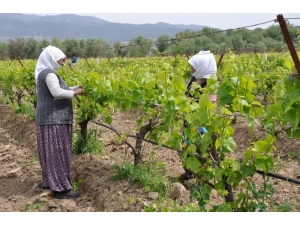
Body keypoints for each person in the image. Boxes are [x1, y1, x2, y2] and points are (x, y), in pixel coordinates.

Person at [34, 45, 84, 199]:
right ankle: (62, 189)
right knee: (58, 153)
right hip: (54, 120)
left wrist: (76, 87)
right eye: (61, 59)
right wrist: (74, 93)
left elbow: (59, 88)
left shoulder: (44, 73)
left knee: (50, 153)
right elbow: (56, 92)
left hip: (47, 120)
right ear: (52, 58)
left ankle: (52, 183)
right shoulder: (49, 73)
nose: (63, 61)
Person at [179, 50, 217, 182]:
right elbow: (187, 95)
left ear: (203, 66)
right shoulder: (194, 78)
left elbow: (211, 106)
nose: (191, 69)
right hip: (189, 121)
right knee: (185, 146)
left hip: (200, 124)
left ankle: (202, 179)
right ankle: (189, 172)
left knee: (201, 151)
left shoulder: (211, 84)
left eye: (193, 66)